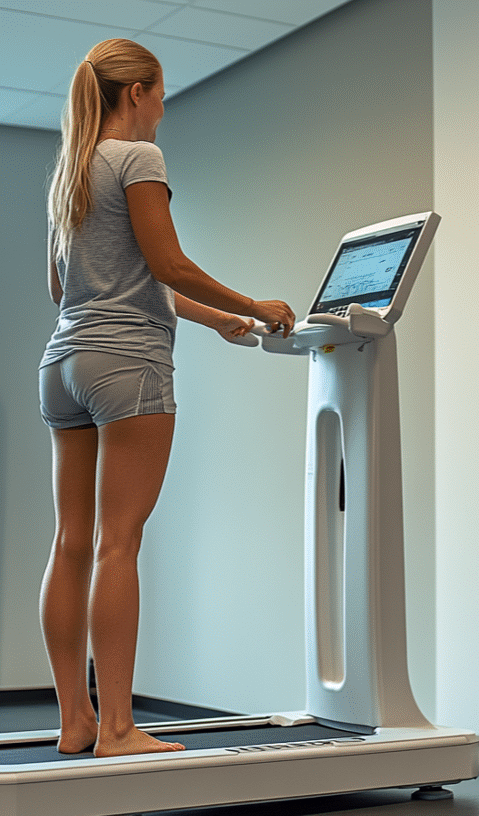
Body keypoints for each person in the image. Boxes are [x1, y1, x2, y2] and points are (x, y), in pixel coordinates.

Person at [39, 39, 294, 758]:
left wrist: (217, 320)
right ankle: (118, 728)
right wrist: (256, 302)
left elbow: (70, 290)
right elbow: (166, 262)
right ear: (139, 91)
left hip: (63, 364)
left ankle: (76, 723)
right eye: (161, 93)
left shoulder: (70, 171)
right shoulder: (136, 159)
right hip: (128, 365)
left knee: (72, 542)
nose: (162, 107)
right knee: (121, 543)